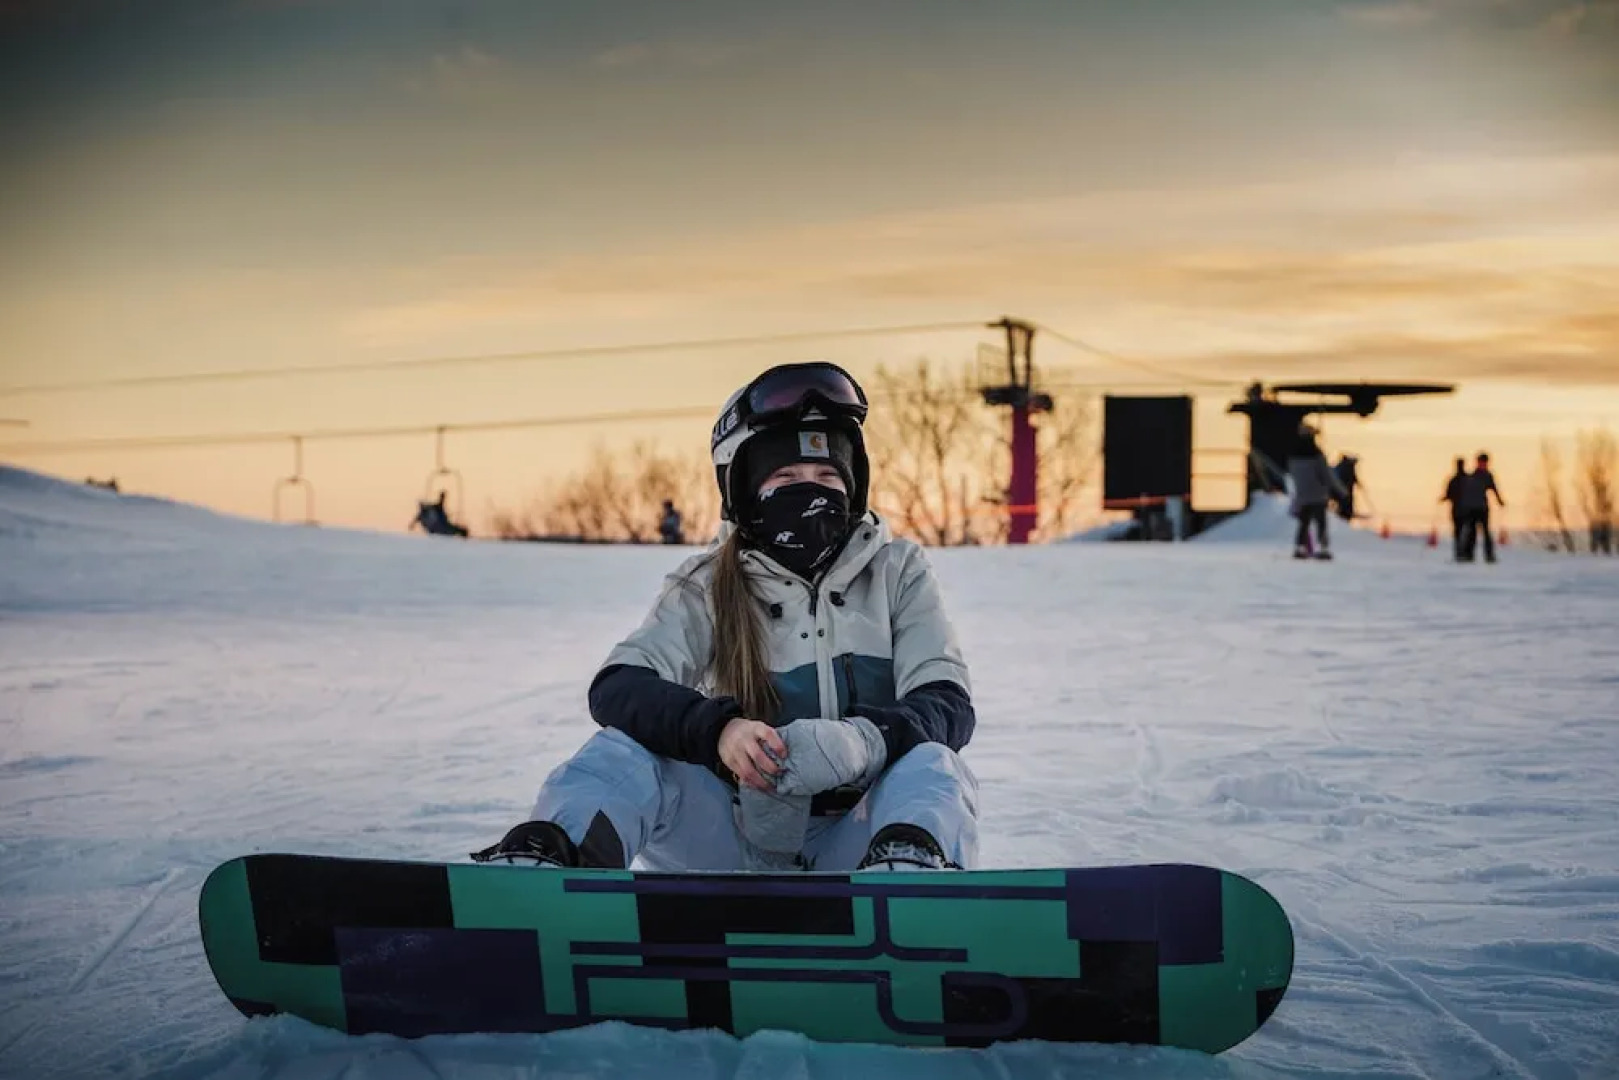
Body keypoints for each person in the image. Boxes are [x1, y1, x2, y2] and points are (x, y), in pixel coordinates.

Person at [472, 361, 978, 873]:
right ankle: (552, 868)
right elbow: (619, 687)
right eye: (786, 477)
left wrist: (863, 742)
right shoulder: (707, 583)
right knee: (622, 750)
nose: (812, 491)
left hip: (857, 839)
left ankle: (911, 880)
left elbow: (947, 704)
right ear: (744, 492)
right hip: (728, 843)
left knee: (935, 765)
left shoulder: (898, 572)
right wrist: (718, 731)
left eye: (828, 475)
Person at [1287, 423, 1345, 559]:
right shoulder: (1317, 454)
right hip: (1318, 494)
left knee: (1304, 523)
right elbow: (1327, 475)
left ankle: (1300, 548)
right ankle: (1323, 548)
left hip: (1302, 494)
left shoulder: (1293, 455)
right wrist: (1340, 491)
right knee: (1321, 523)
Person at [1458, 452, 1505, 563]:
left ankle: (1489, 555)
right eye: (1481, 462)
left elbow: (1494, 489)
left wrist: (1499, 500)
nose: (1483, 464)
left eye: (1484, 462)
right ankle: (1468, 555)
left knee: (1486, 532)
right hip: (1471, 508)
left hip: (1482, 508)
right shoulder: (1472, 476)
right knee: (1471, 532)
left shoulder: (1487, 476)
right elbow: (1466, 492)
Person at [1440, 458, 1467, 560]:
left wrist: (1444, 498)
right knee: (1462, 532)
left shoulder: (1455, 480)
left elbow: (1448, 494)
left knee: (1460, 532)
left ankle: (1460, 552)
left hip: (1461, 510)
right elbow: (1448, 494)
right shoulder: (1463, 479)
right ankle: (1461, 553)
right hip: (1461, 510)